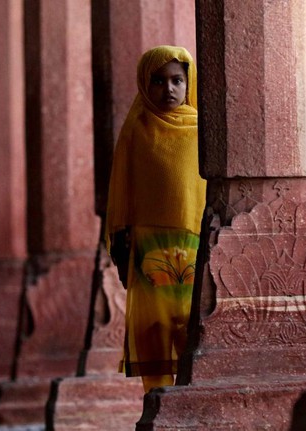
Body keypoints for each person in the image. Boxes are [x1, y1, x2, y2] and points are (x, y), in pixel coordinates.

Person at [105, 45, 206, 393]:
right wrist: (121, 246)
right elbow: (123, 191)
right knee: (154, 330)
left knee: (193, 327)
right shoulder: (137, 131)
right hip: (150, 247)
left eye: (178, 80)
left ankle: (193, 400)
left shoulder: (201, 129)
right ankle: (157, 405)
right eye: (158, 81)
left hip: (194, 243)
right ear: (145, 85)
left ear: (189, 82)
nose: (169, 89)